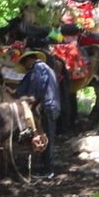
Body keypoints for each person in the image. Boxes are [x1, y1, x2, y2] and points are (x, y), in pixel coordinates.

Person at [14, 49, 61, 177]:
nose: (26, 67)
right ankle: (45, 166)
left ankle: (48, 170)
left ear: (29, 59)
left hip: (47, 106)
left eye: (25, 64)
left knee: (47, 137)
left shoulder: (38, 70)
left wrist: (28, 102)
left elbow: (35, 92)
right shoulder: (46, 69)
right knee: (47, 136)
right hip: (53, 105)